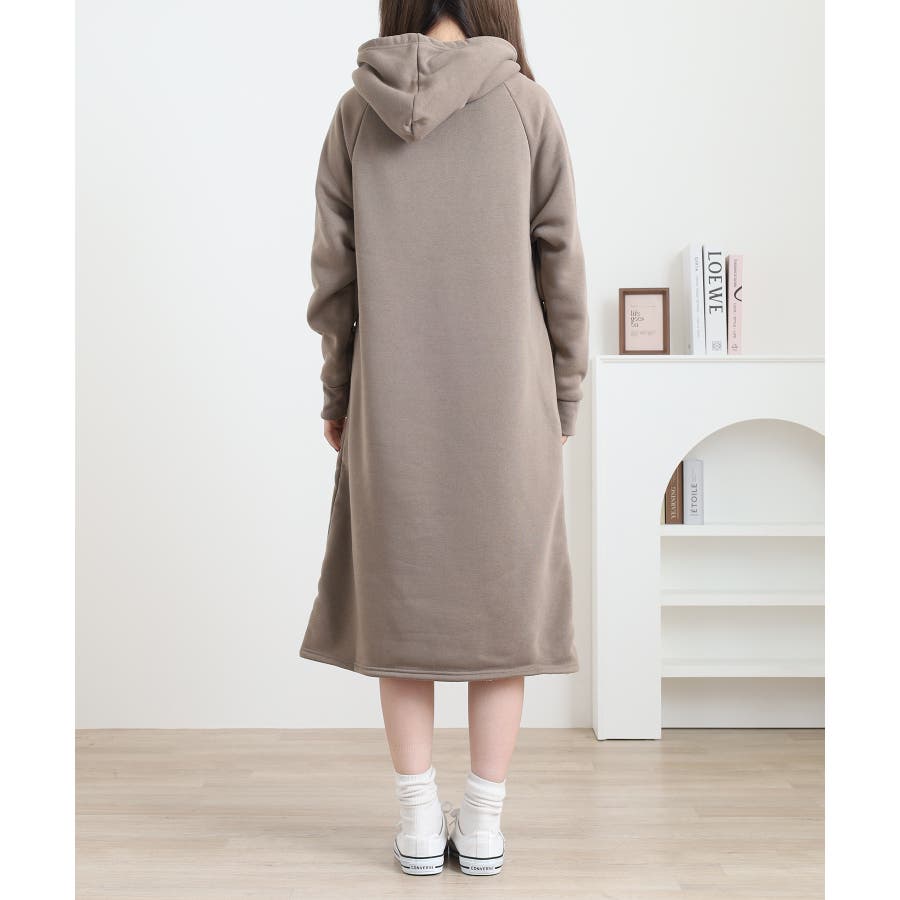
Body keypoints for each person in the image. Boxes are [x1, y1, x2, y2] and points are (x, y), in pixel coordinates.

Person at [300, 0, 588, 877]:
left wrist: (340, 393)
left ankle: (421, 823)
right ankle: (485, 824)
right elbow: (562, 265)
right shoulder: (526, 106)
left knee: (405, 608)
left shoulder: (358, 110)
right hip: (509, 407)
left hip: (393, 402)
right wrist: (563, 397)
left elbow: (334, 278)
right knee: (505, 615)